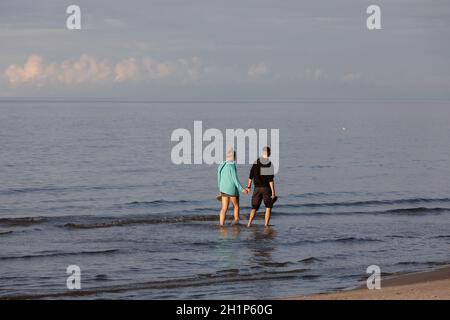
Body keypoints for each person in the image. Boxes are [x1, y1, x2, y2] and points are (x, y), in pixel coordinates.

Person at [245, 146, 276, 228]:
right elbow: (270, 180)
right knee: (268, 206)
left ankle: (249, 224)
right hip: (266, 188)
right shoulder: (269, 163)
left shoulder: (256, 162)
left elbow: (250, 176)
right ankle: (266, 225)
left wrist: (248, 187)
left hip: (257, 188)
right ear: (269, 154)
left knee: (254, 207)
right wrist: (273, 192)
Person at [217, 148, 248, 226]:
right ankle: (236, 222)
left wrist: (220, 189)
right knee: (236, 205)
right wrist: (242, 190)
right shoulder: (232, 165)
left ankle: (221, 225)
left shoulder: (221, 164)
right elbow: (235, 179)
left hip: (223, 189)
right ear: (233, 157)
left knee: (224, 208)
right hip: (231, 190)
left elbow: (218, 177)